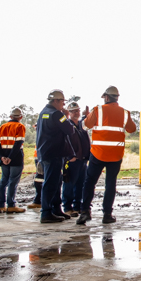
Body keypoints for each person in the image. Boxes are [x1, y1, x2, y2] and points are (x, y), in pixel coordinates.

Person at [77, 86, 136, 225]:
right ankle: (107, 214)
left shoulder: (98, 110)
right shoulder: (125, 113)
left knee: (90, 182)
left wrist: (85, 117)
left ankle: (85, 211)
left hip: (98, 153)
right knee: (110, 184)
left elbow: (84, 127)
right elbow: (132, 129)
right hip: (116, 155)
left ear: (107, 97)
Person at [36, 89, 75, 223]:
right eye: (62, 102)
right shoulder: (57, 114)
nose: (63, 106)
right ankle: (46, 212)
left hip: (46, 152)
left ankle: (56, 209)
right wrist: (66, 116)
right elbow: (70, 130)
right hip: (54, 153)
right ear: (56, 101)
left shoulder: (43, 113)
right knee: (51, 183)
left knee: (55, 181)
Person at [0, 108, 27, 214]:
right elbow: (18, 144)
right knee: (13, 182)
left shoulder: (2, 127)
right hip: (15, 159)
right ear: (20, 117)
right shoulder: (20, 127)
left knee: (3, 181)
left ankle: (0, 205)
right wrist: (10, 157)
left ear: (10, 116)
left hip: (4, 159)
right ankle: (11, 205)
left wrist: (2, 157)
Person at [62, 102, 91, 217]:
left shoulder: (81, 124)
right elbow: (64, 141)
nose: (76, 113)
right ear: (69, 113)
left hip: (83, 159)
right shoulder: (67, 125)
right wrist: (69, 157)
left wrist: (85, 116)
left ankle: (77, 206)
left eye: (77, 111)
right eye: (73, 111)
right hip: (73, 159)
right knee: (69, 183)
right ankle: (67, 207)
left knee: (81, 184)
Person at [27, 144, 43, 209]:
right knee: (41, 178)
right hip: (42, 156)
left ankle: (38, 200)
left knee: (40, 178)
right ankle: (39, 201)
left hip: (40, 155)